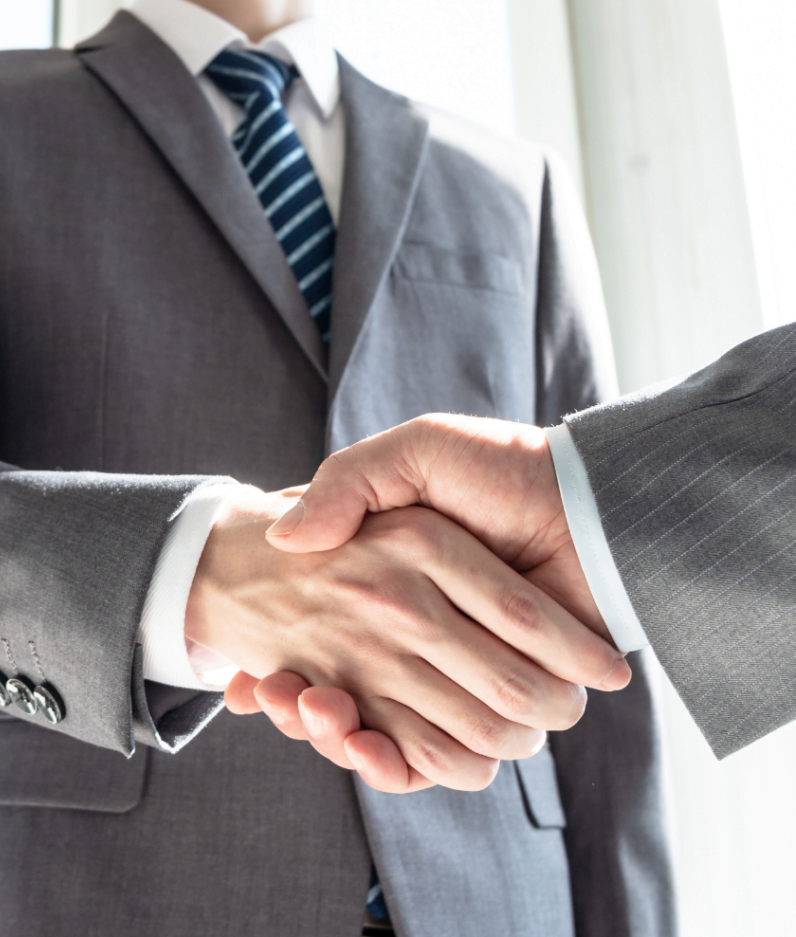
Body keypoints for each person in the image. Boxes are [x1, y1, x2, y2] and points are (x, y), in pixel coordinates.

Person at [0, 0, 673, 934]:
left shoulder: (514, 185)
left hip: (497, 892)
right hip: (97, 889)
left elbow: (601, 600)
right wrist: (197, 572)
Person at [246, 321, 796, 778]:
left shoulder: (519, 186)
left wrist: (582, 519)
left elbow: (567, 391)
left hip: (515, 859)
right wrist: (193, 556)